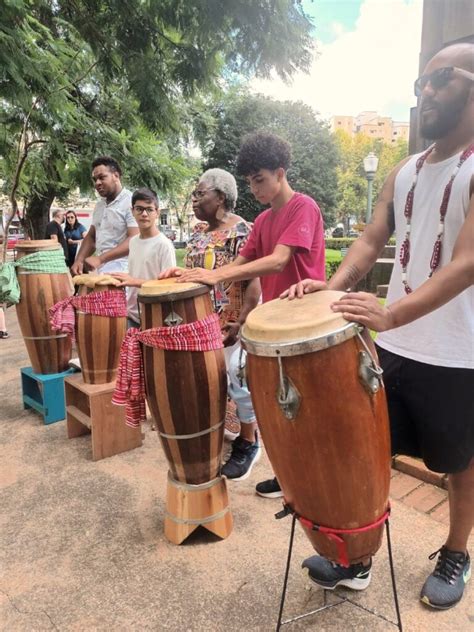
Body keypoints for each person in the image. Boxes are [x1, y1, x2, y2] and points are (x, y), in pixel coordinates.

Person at [285, 43, 474, 610]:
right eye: (420, 84)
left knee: (460, 465)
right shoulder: (405, 169)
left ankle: (457, 551)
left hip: (459, 355)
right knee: (370, 456)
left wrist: (390, 313)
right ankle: (359, 557)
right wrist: (335, 285)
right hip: (391, 348)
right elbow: (371, 240)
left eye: (441, 78)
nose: (426, 93)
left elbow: (466, 262)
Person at [172, 132, 326, 485]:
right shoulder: (263, 222)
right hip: (275, 325)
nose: (255, 189)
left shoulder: (303, 207)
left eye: (261, 180)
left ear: (281, 173)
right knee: (281, 406)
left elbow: (277, 262)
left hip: (304, 322)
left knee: (303, 408)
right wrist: (198, 277)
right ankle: (289, 479)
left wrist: (217, 275)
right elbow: (241, 261)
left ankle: (309, 483)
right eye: (250, 182)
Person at [160, 168, 262, 468]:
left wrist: (241, 323)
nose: (193, 200)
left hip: (234, 322)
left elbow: (256, 282)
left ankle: (249, 441)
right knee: (210, 380)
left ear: (220, 197)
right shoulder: (197, 234)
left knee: (238, 375)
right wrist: (178, 272)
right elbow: (197, 273)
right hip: (203, 323)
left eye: (199, 193)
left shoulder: (243, 230)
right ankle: (219, 430)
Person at [112, 188, 176, 328]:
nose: (144, 214)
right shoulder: (133, 242)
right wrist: (125, 278)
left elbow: (169, 287)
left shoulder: (164, 245)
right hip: (131, 315)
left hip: (154, 317)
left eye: (149, 209)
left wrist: (134, 281)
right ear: (132, 211)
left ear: (157, 212)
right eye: (139, 209)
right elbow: (137, 273)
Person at [71, 156, 138, 275]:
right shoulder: (99, 206)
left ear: (116, 176)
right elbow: (92, 237)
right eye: (95, 179)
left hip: (124, 271)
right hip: (101, 269)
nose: (97, 183)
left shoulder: (131, 202)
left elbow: (134, 239)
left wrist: (100, 258)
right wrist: (79, 260)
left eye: (102, 177)